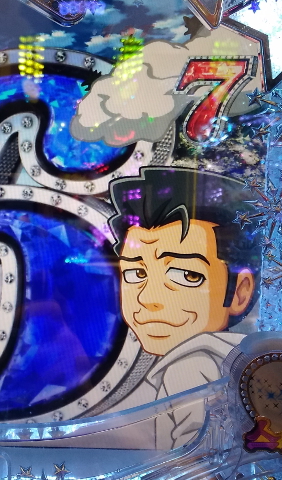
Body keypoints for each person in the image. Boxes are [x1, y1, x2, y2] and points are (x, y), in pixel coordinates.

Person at [108, 167, 262, 449]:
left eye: (186, 275)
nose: (149, 299)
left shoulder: (191, 366)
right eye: (136, 274)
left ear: (240, 292)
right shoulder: (237, 360)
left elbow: (196, 460)